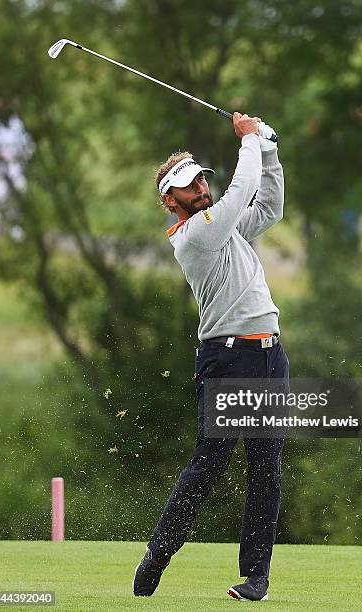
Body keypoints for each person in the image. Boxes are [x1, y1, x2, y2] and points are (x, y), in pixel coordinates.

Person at [134, 112, 288, 602]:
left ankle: (256, 578)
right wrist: (248, 141)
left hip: (269, 356)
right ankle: (159, 553)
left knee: (267, 467)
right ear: (169, 201)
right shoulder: (197, 235)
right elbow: (240, 193)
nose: (199, 187)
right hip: (228, 359)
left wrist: (269, 151)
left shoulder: (225, 227)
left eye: (201, 178)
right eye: (188, 185)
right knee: (210, 464)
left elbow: (268, 206)